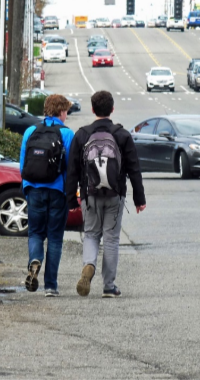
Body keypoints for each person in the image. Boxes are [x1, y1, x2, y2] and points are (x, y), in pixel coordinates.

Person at [66, 91, 146, 298]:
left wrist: (71, 199)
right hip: (115, 194)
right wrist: (139, 199)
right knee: (111, 238)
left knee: (91, 234)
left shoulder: (82, 134)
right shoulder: (122, 135)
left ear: (92, 109)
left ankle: (89, 265)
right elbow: (134, 169)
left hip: (89, 195)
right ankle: (109, 286)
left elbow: (72, 169)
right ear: (112, 109)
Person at [20, 94, 74, 297]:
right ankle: (50, 286)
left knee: (35, 233)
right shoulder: (67, 134)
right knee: (55, 239)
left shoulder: (30, 131)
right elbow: (71, 168)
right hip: (57, 192)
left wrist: (27, 188)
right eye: (66, 111)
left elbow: (23, 164)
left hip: (34, 190)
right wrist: (70, 194)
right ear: (61, 111)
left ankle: (35, 260)